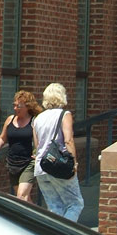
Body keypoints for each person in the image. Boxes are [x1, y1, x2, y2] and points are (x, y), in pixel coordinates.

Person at [33, 83, 84, 221]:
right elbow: (68, 140)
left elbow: (37, 145)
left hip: (42, 166)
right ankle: (65, 233)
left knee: (55, 207)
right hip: (59, 165)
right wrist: (74, 162)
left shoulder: (38, 118)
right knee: (75, 204)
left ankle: (52, 233)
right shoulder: (64, 115)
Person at [0, 89, 42, 201]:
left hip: (28, 163)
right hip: (12, 163)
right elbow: (2, 138)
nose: (15, 108)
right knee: (25, 199)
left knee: (21, 197)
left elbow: (39, 141)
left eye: (19, 106)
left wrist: (38, 154)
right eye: (14, 105)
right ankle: (35, 213)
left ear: (27, 107)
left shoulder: (34, 121)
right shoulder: (10, 120)